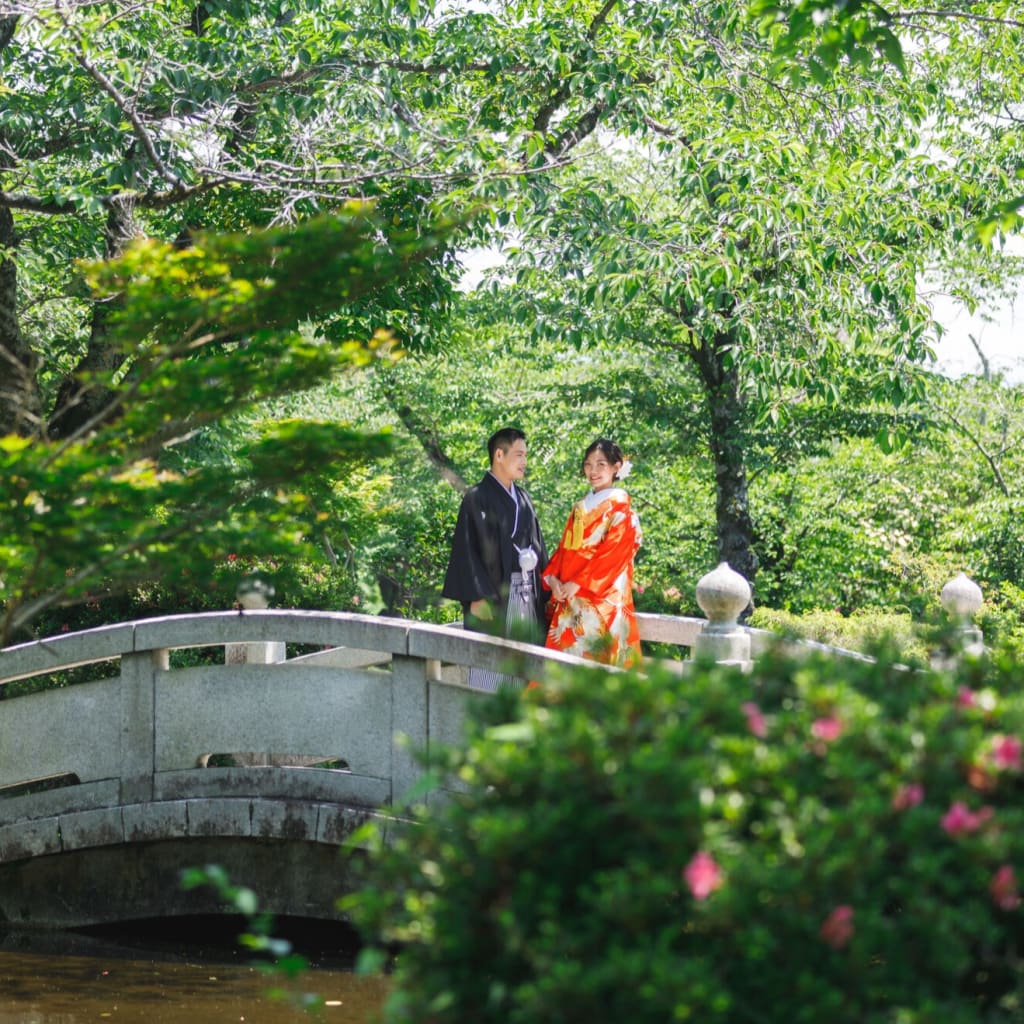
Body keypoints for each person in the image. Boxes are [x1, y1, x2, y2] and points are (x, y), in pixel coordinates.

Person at [442, 427, 548, 691]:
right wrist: (476, 596)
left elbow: (538, 547)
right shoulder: (476, 497)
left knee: (525, 667)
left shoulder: (523, 498)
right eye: (519, 455)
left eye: (525, 455)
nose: (525, 461)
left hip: (526, 593)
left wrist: (548, 586)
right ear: (499, 455)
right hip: (492, 598)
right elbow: (466, 550)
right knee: (491, 671)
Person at [542, 438, 642, 667]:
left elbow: (613, 556)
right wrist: (554, 579)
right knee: (564, 666)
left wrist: (578, 583)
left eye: (601, 464)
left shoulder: (621, 508)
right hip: (570, 595)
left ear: (616, 467)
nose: (593, 471)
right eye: (588, 465)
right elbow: (565, 550)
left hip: (602, 597)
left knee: (598, 666)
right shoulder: (580, 507)